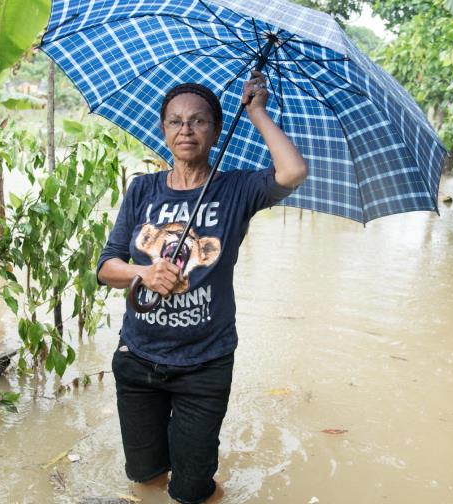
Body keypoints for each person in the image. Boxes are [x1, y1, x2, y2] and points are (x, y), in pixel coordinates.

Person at [96, 71, 308, 504]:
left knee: (191, 491)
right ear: (163, 131)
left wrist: (257, 112)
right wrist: (144, 273)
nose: (186, 130)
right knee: (145, 477)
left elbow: (292, 172)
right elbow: (106, 266)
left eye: (198, 121)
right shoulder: (142, 189)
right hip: (138, 362)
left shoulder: (236, 189)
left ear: (214, 130)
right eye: (175, 121)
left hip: (204, 366)